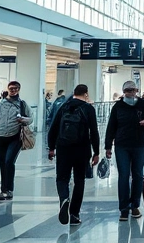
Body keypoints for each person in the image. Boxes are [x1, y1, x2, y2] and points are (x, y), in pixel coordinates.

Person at [104, 80, 144, 221]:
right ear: (124, 92)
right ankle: (123, 208)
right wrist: (108, 146)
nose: (130, 92)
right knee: (123, 175)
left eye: (133, 90)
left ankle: (135, 205)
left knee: (138, 175)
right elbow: (111, 126)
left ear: (137, 91)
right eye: (127, 90)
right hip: (122, 144)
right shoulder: (118, 107)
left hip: (140, 144)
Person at [47, 84, 100, 226]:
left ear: (74, 93)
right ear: (86, 94)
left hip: (63, 147)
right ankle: (74, 214)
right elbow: (94, 132)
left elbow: (53, 128)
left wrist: (51, 148)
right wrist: (96, 152)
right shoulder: (89, 109)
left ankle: (64, 198)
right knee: (79, 181)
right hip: (82, 149)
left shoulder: (64, 106)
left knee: (62, 178)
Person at [0, 80, 33, 201]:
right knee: (2, 163)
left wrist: (24, 120)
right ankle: (4, 190)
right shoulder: (0, 105)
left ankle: (9, 189)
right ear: (8, 89)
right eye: (11, 88)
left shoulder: (22, 104)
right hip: (1, 137)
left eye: (16, 88)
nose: (13, 90)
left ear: (19, 90)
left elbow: (31, 118)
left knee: (8, 161)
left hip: (15, 137)